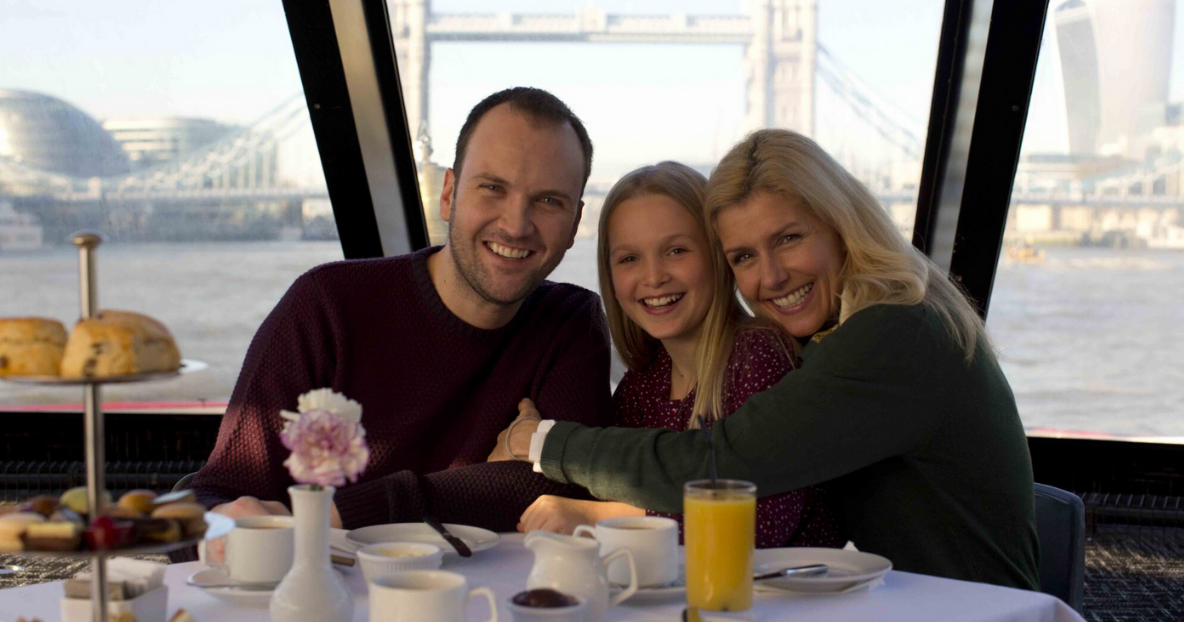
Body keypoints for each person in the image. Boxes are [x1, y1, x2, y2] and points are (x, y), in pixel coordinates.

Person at [493, 129, 1040, 590]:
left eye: (790, 238)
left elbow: (726, 467)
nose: (771, 277)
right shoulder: (844, 331)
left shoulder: (892, 333)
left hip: (963, 608)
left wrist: (541, 441)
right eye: (746, 256)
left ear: (841, 224)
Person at [190, 87, 614, 550]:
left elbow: (563, 492)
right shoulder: (327, 306)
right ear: (448, 195)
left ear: (575, 224)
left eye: (549, 201)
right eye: (493, 188)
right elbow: (216, 496)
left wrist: (339, 513)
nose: (516, 225)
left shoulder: (570, 322)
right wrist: (491, 480)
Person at [514, 162, 842, 549]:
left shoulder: (760, 357)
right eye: (629, 259)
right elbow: (609, 489)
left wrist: (593, 517)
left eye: (676, 250)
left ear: (719, 256)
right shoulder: (643, 384)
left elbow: (757, 527)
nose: (653, 277)